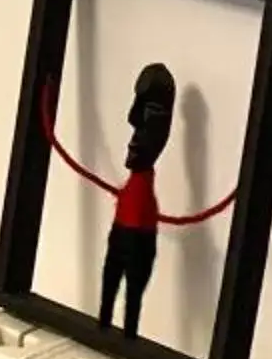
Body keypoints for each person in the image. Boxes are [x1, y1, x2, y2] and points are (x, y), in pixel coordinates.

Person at [49, 64, 233, 335]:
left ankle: (124, 334)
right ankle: (110, 328)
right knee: (114, 283)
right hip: (131, 221)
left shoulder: (143, 192)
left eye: (151, 112)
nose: (133, 119)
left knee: (130, 290)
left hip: (138, 226)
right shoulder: (134, 194)